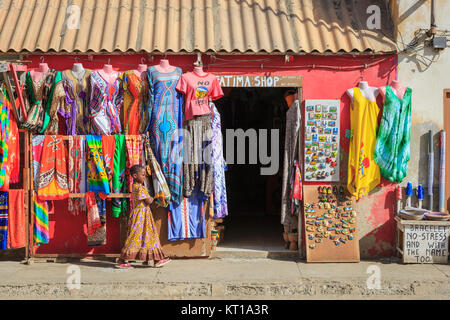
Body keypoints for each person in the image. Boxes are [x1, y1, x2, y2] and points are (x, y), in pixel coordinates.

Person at [116, 164, 171, 269]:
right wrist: (157, 197)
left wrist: (156, 201)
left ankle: (157, 259)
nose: (144, 177)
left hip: (144, 215)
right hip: (140, 217)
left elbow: (147, 202)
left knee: (150, 236)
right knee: (135, 237)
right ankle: (122, 260)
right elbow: (148, 201)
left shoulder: (136, 187)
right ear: (135, 175)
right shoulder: (140, 188)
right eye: (143, 175)